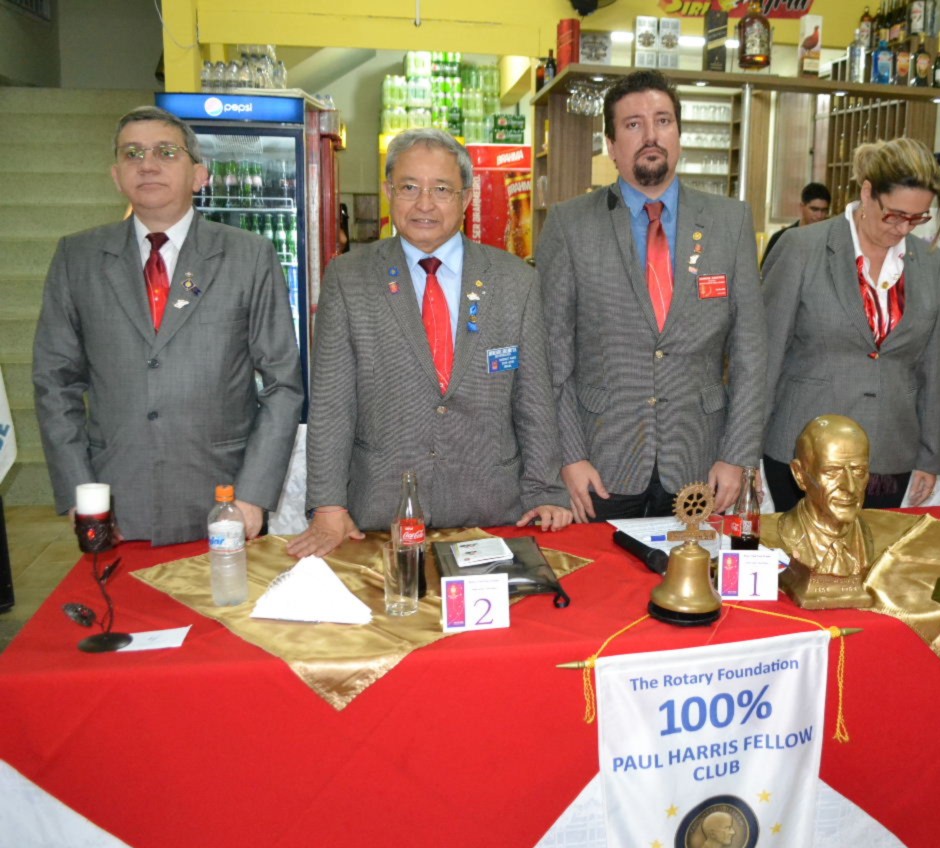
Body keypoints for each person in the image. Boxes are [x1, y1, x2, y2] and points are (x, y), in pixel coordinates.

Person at [289, 128, 570, 558]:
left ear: (466, 197)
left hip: (491, 511)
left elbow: (533, 399)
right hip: (380, 514)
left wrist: (546, 490)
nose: (424, 204)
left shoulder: (516, 281)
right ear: (389, 192)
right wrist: (328, 505)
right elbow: (331, 404)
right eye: (409, 188)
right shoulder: (348, 278)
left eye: (441, 189)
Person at [32, 106, 303, 545]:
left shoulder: (249, 256)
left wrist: (253, 495)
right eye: (133, 153)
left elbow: (283, 384)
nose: (148, 164)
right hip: (116, 498)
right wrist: (80, 491)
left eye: (166, 152)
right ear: (116, 176)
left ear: (199, 174)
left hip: (223, 499)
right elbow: (54, 384)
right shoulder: (77, 258)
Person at [538, 69, 767, 523]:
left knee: (697, 572)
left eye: (663, 121)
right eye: (633, 124)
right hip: (600, 464)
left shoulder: (731, 222)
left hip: (702, 462)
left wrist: (738, 455)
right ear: (610, 144)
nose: (651, 135)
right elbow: (551, 357)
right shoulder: (569, 225)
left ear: (678, 134)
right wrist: (568, 456)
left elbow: (751, 351)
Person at [761, 137, 940, 514]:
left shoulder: (931, 262)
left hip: (889, 453)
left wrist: (931, 455)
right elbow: (763, 358)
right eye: (894, 214)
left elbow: (932, 366)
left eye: (918, 218)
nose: (904, 228)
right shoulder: (801, 248)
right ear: (867, 192)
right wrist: (740, 453)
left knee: (871, 549)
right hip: (805, 451)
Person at [770, 414, 874, 580]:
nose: (850, 487)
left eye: (858, 471)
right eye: (832, 471)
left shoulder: (877, 539)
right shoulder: (769, 542)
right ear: (800, 475)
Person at [760, 181, 831, 264]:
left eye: (824, 210)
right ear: (802, 207)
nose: (819, 215)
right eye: (814, 209)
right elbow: (766, 269)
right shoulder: (781, 238)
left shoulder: (831, 241)